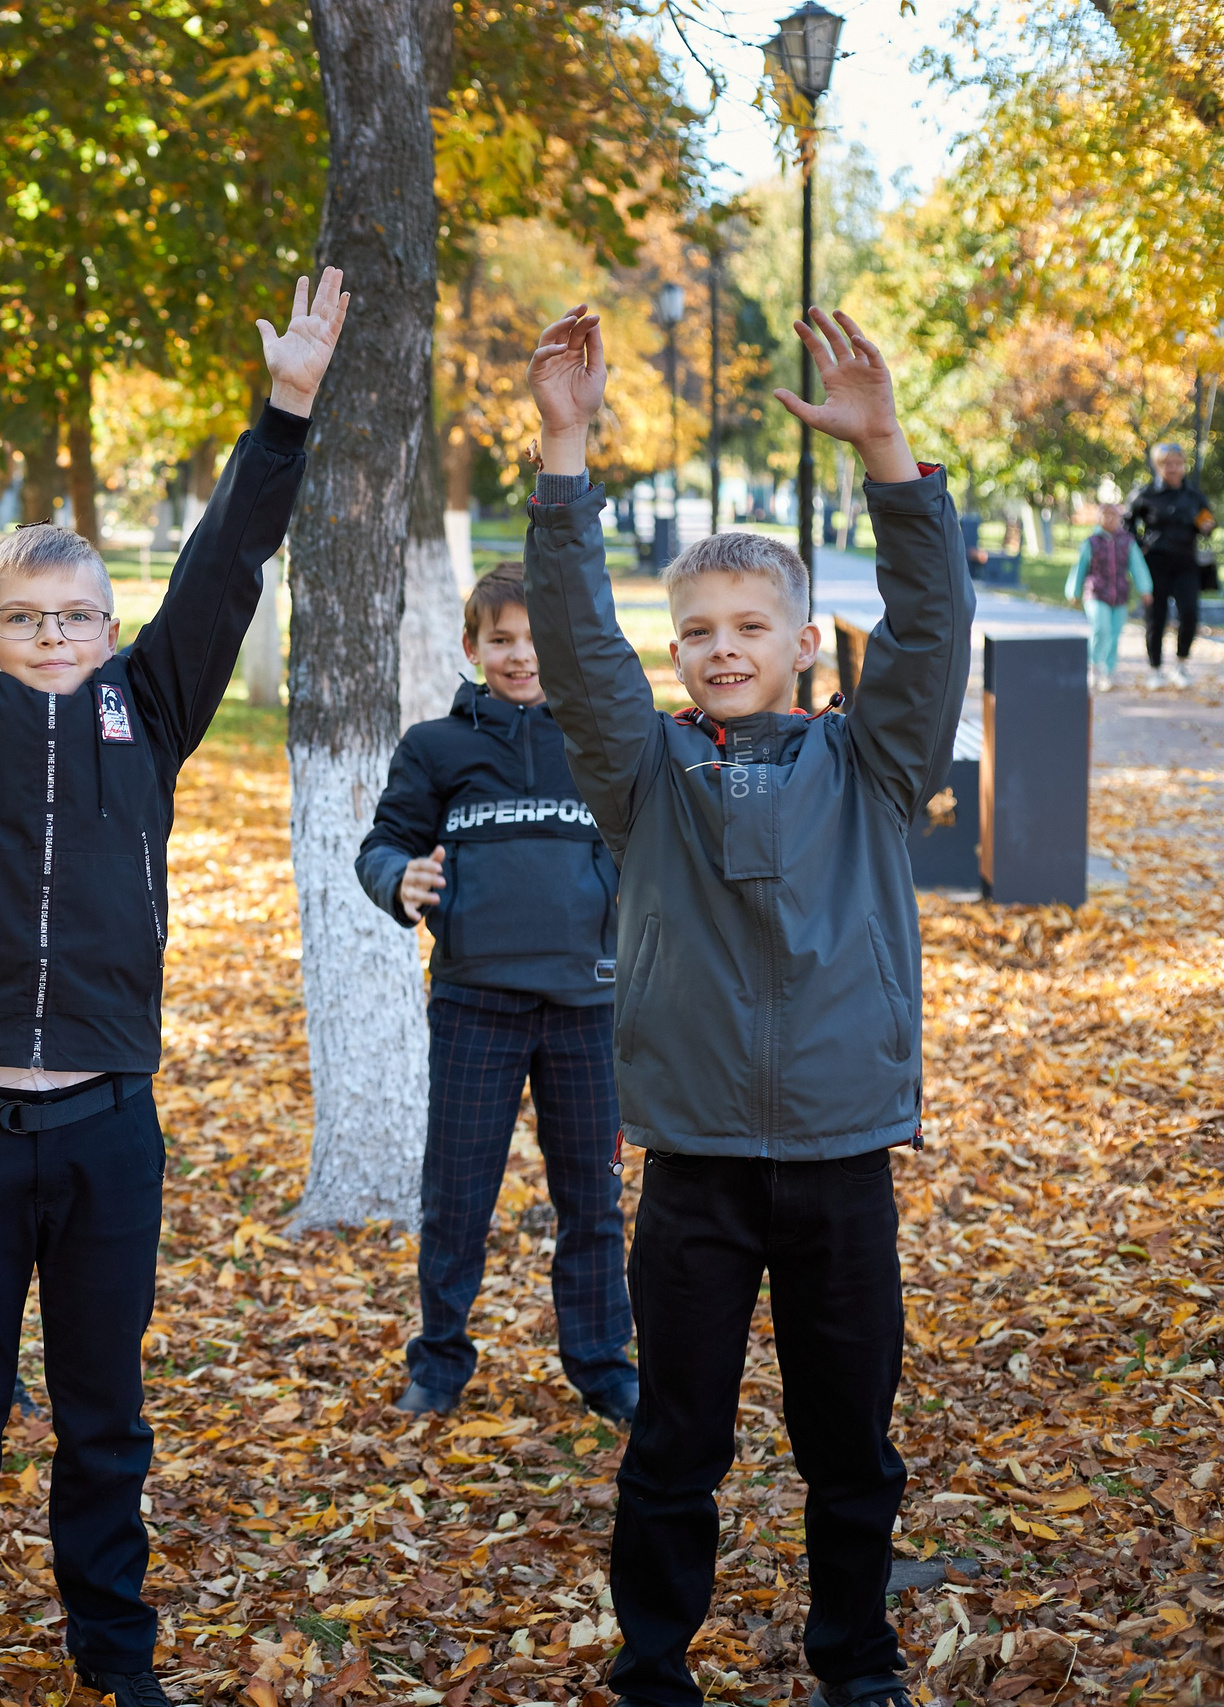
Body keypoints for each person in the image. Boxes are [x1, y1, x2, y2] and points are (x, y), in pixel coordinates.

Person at [0, 229, 347, 1707]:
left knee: (105, 1411)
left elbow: (227, 567)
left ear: (108, 629)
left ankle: (113, 1643)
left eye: (77, 617)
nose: (52, 636)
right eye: (25, 618)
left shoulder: (146, 706)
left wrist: (285, 412)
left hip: (105, 1126)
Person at [522, 304, 971, 1707]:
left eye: (749, 626)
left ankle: (857, 1660)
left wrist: (888, 454)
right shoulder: (644, 773)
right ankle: (653, 1665)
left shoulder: (874, 765)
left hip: (841, 1165)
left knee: (851, 1448)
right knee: (675, 1445)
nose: (722, 648)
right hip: (697, 1172)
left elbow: (931, 628)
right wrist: (564, 450)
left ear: (801, 640)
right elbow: (577, 646)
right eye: (698, 631)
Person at [354, 565, 634, 1428]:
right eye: (502, 639)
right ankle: (439, 1360)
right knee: (457, 1195)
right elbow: (384, 842)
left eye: (537, 638)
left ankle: (603, 1365)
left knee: (592, 1199)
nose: (521, 655)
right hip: (474, 1003)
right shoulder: (435, 747)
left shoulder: (602, 740)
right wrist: (399, 877)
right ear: (473, 647)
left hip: (587, 1007)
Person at [1126, 442, 1215, 689]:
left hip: (1186, 562)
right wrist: (1140, 545)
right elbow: (1127, 523)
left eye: (1177, 463)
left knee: (1189, 613)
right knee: (1156, 617)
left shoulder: (1194, 496)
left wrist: (1207, 526)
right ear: (1158, 466)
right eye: (1167, 464)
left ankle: (1181, 664)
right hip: (1156, 562)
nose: (1173, 468)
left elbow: (1207, 522)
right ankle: (1155, 668)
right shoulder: (1146, 494)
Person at [1066, 501, 1151, 694]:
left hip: (1119, 595)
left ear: (1120, 518)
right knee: (1100, 628)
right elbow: (1080, 567)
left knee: (1114, 634)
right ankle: (1094, 665)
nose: (1110, 519)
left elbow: (1137, 566)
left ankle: (1108, 670)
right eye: (1106, 514)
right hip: (1096, 593)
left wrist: (1145, 589)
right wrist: (1074, 591)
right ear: (1099, 517)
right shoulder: (1091, 542)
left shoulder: (1127, 542)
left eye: (1114, 515)